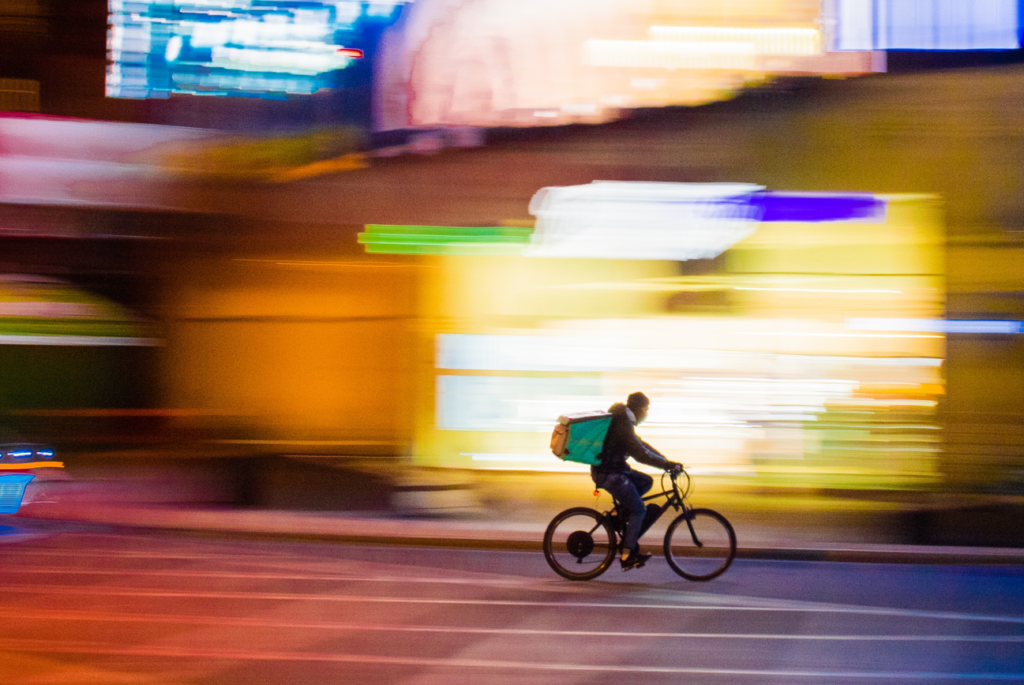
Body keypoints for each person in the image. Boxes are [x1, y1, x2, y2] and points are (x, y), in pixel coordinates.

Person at [593, 391, 682, 571]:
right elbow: (640, 454)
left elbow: (642, 445)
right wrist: (666, 465)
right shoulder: (622, 424)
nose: (646, 414)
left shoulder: (623, 421)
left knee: (645, 482)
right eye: (646, 409)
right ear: (640, 409)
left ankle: (619, 517)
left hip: (615, 470)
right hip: (610, 474)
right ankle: (627, 555)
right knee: (640, 510)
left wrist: (666, 461)